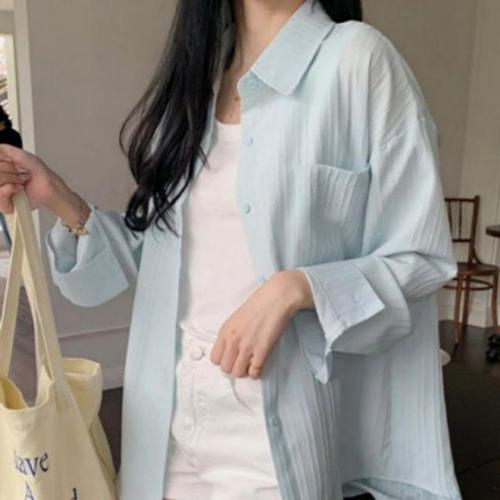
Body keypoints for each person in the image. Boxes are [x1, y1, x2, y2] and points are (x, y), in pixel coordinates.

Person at [0, 0, 463, 499]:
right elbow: (158, 251)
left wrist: (297, 288)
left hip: (270, 421)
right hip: (163, 413)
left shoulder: (359, 60)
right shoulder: (195, 80)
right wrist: (57, 197)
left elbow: (420, 260)